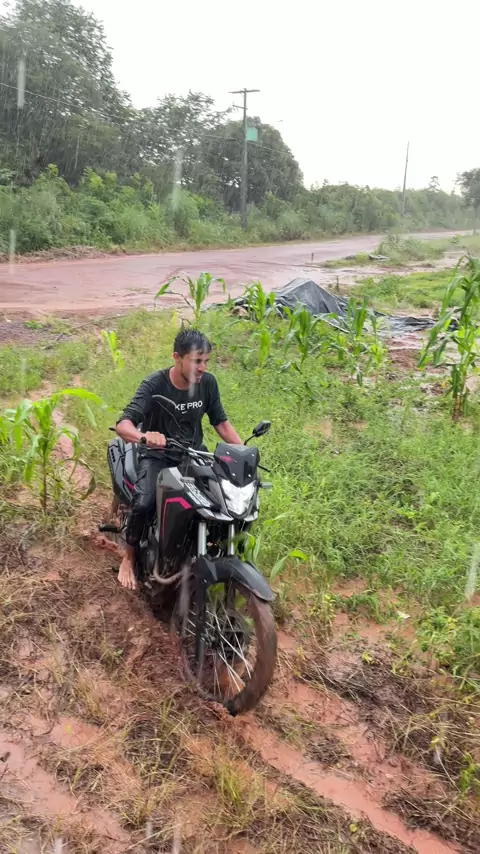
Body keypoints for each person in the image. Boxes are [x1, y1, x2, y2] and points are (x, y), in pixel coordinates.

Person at [115, 328, 243, 589]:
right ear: (177, 357)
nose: (202, 368)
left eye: (206, 361)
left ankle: (202, 553)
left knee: (223, 502)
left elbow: (221, 423)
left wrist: (243, 452)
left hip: (193, 454)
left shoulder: (208, 384)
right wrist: (144, 436)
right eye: (196, 361)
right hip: (158, 456)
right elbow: (123, 425)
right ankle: (128, 556)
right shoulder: (155, 385)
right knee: (144, 503)